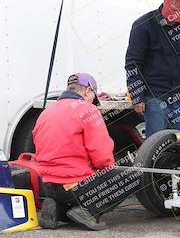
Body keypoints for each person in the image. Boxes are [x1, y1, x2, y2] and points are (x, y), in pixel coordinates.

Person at [33, 73, 140, 231]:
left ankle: (56, 207)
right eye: (95, 98)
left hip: (48, 186)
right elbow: (103, 159)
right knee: (134, 175)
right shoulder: (87, 110)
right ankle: (89, 211)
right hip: (75, 187)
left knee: (70, 197)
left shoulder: (46, 113)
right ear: (88, 90)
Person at [125, 0, 180, 138]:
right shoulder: (143, 25)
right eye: (169, 15)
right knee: (156, 144)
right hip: (155, 95)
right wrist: (137, 97)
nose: (171, 19)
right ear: (164, 0)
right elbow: (133, 63)